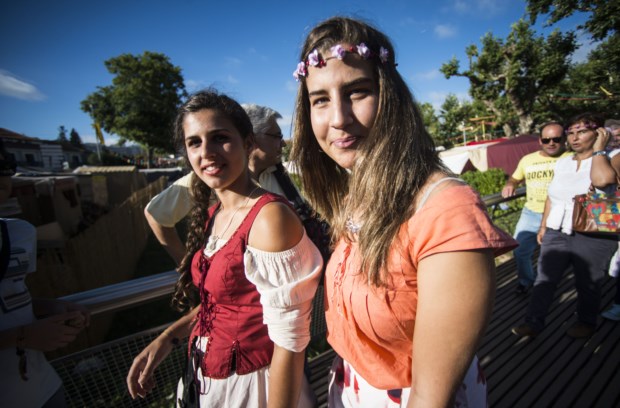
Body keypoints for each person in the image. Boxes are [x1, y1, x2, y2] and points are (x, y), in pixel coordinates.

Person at [290, 16, 517, 407]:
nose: (339, 118)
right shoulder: (354, 195)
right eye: (320, 99)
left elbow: (430, 396)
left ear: (390, 97)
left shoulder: (446, 210)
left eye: (358, 92)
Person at [126, 90, 322, 407]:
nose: (207, 152)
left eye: (220, 138)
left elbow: (289, 341)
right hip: (205, 373)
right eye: (194, 142)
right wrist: (167, 338)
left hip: (255, 385)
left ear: (248, 143)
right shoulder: (216, 214)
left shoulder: (269, 218)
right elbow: (221, 304)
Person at [145, 104, 297, 265]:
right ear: (252, 138)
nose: (283, 143)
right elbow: (155, 214)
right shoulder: (206, 179)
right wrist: (185, 264)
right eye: (277, 136)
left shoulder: (278, 174)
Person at [512, 113, 620, 339]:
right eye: (571, 133)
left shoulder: (613, 156)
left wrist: (600, 150)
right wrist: (543, 226)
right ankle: (533, 322)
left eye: (582, 131)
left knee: (588, 281)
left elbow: (602, 181)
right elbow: (551, 196)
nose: (574, 138)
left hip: (594, 231)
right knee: (545, 278)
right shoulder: (563, 162)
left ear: (599, 133)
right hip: (557, 229)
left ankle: (586, 322)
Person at [0, 148, 90, 407]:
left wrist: (51, 308)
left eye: (4, 164)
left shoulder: (20, 234)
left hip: (43, 387)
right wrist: (22, 337)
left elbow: (11, 297)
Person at [501, 122, 570, 294]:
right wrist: (511, 184)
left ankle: (546, 288)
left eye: (556, 139)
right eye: (546, 140)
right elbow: (515, 178)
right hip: (531, 213)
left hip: (560, 215)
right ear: (540, 141)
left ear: (564, 139)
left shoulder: (571, 158)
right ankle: (526, 281)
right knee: (520, 251)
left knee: (552, 256)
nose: (551, 143)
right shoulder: (528, 160)